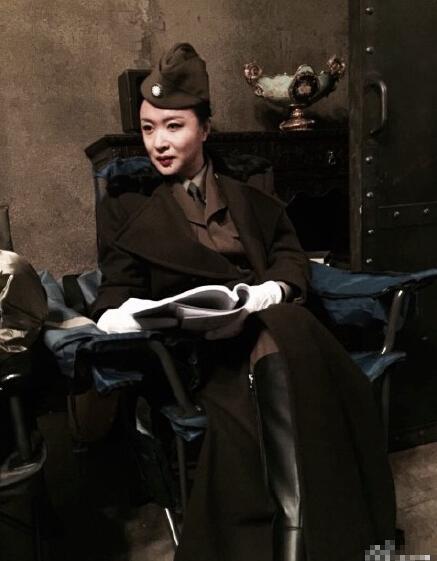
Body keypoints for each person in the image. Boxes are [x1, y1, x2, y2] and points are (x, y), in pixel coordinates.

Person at [92, 43, 396, 561]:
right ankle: (307, 538)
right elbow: (112, 296)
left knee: (277, 326)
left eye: (173, 126)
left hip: (282, 328)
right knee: (277, 348)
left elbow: (288, 255)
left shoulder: (249, 191)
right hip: (208, 354)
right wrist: (122, 317)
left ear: (204, 129)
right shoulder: (130, 212)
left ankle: (294, 536)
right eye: (148, 129)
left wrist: (273, 289)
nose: (158, 142)